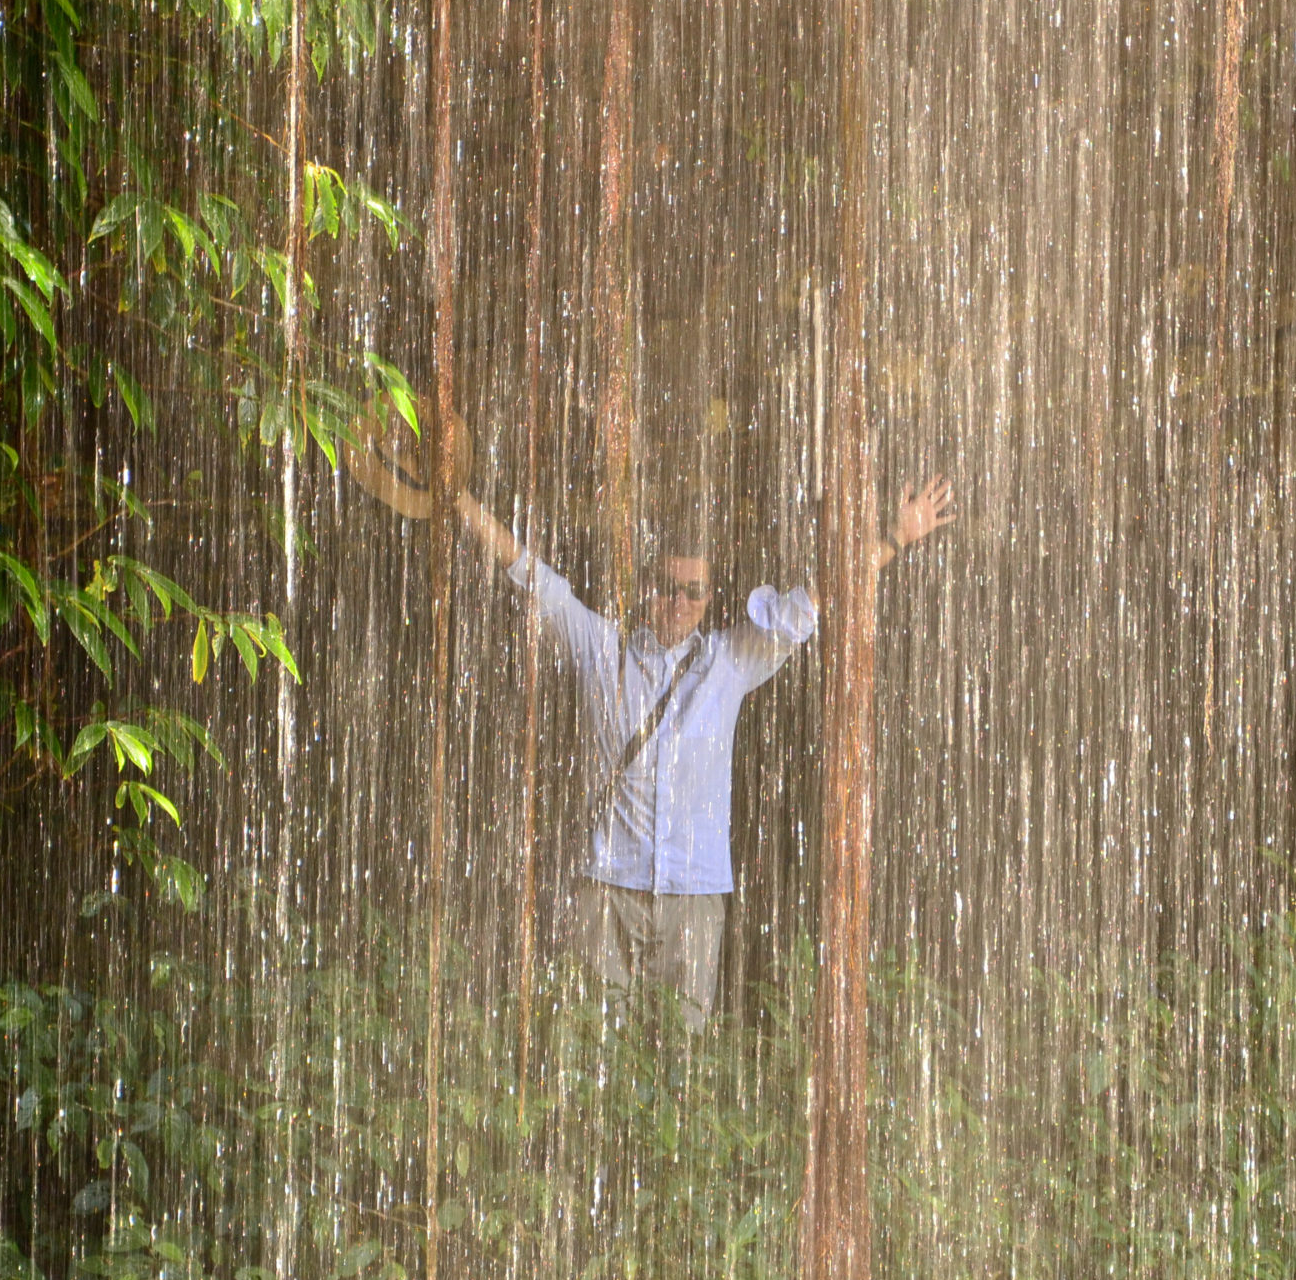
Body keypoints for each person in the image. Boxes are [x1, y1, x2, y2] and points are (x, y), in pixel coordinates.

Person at [346, 416, 954, 1028]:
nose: (678, 603)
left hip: (695, 894)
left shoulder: (730, 661)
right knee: (594, 1051)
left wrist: (893, 539)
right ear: (645, 585)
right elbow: (529, 572)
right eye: (666, 587)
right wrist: (455, 499)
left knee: (683, 1057)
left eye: (693, 590)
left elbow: (814, 601)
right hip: (607, 889)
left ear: (710, 597)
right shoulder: (600, 650)